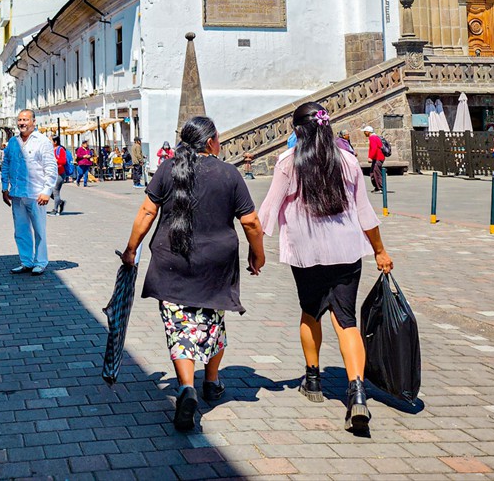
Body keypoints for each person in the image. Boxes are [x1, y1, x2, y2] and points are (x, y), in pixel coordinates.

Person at [120, 116, 264, 432]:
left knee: (178, 327)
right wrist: (258, 254)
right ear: (211, 141)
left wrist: (131, 249)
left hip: (171, 262)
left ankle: (187, 387)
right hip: (215, 265)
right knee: (211, 322)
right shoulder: (229, 173)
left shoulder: (167, 169)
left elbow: (147, 211)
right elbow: (251, 222)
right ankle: (211, 382)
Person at [256, 102, 394, 432]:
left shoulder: (288, 162)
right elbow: (365, 213)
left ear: (297, 131)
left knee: (310, 311)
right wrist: (380, 251)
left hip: (306, 254)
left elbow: (267, 210)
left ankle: (313, 380)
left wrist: (255, 252)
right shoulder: (347, 160)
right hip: (347, 251)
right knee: (346, 320)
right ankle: (357, 391)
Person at [2, 110, 57, 273]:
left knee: (39, 229)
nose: (22, 123)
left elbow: (51, 168)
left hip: (36, 193)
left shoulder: (42, 141)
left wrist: (47, 190)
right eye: (19, 120)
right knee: (21, 229)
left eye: (26, 119)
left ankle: (40, 262)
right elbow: (5, 164)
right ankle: (26, 261)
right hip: (17, 193)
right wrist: (5, 187)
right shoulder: (13, 142)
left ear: (33, 121)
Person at [48, 135, 70, 216]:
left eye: (50, 140)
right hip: (51, 174)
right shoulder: (50, 149)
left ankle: (55, 210)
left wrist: (55, 160)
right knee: (49, 191)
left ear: (55, 142)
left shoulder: (60, 150)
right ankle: (60, 202)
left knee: (55, 191)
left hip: (59, 173)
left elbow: (63, 161)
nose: (49, 142)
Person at [363, 126, 386, 194]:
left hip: (378, 158)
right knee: (372, 173)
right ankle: (377, 186)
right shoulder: (375, 137)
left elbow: (374, 148)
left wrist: (370, 157)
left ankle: (380, 188)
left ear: (368, 132)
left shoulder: (372, 137)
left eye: (365, 132)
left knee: (376, 173)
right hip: (377, 158)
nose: (364, 134)